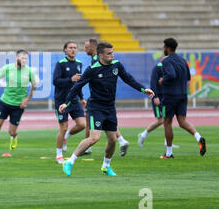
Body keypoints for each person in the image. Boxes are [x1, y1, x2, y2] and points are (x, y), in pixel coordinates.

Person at [59, 42, 154, 177]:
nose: (112, 55)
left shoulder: (116, 65)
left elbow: (128, 79)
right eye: (109, 53)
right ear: (101, 55)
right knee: (94, 138)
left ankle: (106, 166)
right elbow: (77, 87)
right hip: (95, 108)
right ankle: (69, 162)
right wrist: (66, 103)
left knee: (113, 140)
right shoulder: (92, 69)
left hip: (110, 108)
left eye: (112, 52)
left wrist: (143, 89)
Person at [76, 38, 130, 156]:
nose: (85, 50)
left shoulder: (97, 61)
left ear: (92, 48)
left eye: (86, 47)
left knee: (91, 119)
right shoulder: (95, 60)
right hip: (101, 101)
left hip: (98, 101)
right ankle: (121, 140)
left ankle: (87, 147)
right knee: (101, 121)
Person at [0, 50, 37, 158]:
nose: (24, 60)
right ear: (16, 58)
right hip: (5, 102)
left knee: (12, 131)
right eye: (22, 58)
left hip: (18, 106)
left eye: (26, 58)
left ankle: (14, 137)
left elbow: (34, 86)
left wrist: (27, 99)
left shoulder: (29, 71)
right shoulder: (8, 68)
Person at [159, 38, 206, 159]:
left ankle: (169, 153)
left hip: (170, 96)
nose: (163, 49)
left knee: (167, 122)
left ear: (168, 48)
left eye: (163, 47)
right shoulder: (183, 60)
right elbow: (188, 79)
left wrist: (162, 80)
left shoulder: (166, 61)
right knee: (182, 122)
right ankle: (198, 137)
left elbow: (171, 74)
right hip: (182, 95)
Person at [52, 41, 86, 164]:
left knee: (82, 124)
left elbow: (78, 83)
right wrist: (70, 79)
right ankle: (59, 155)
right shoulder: (60, 64)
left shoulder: (79, 64)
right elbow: (55, 81)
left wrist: (81, 98)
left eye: (75, 48)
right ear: (65, 50)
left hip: (74, 100)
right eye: (70, 48)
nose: (73, 50)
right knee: (63, 127)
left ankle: (66, 137)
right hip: (61, 100)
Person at [138, 55, 179, 148]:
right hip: (158, 97)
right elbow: (153, 82)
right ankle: (143, 134)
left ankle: (167, 142)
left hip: (166, 97)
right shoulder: (158, 68)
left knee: (168, 119)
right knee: (161, 120)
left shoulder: (169, 68)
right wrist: (155, 97)